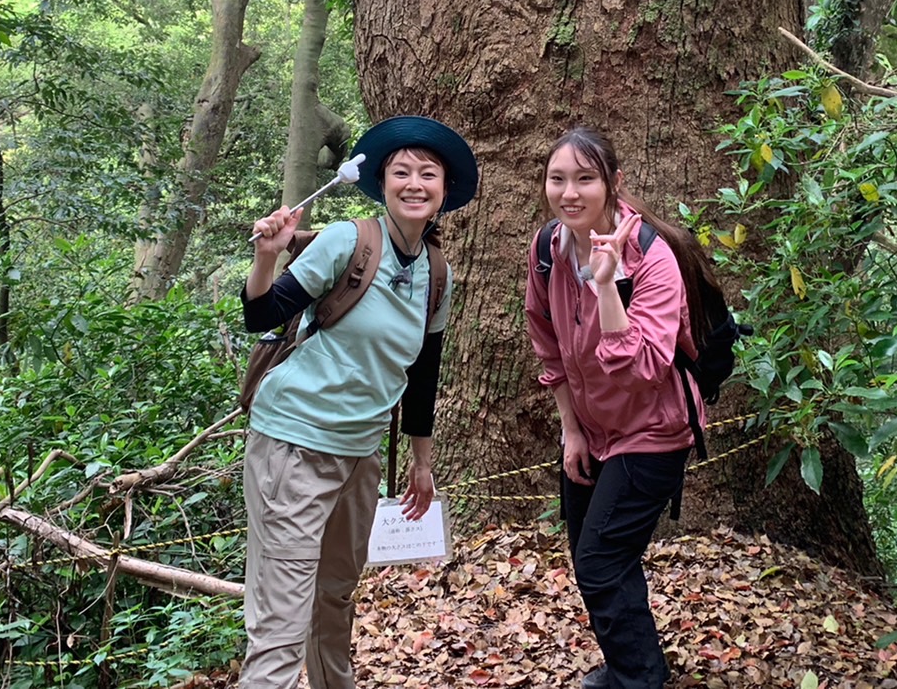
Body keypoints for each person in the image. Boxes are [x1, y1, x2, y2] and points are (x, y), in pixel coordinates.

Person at [238, 115, 478, 689]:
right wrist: (267, 257)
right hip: (294, 445)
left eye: (428, 173)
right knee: (282, 619)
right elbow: (261, 315)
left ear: (444, 190)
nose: (414, 183)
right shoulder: (349, 240)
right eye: (402, 172)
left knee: (335, 599)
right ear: (383, 183)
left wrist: (421, 464)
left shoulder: (436, 272)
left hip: (360, 457)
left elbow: (423, 373)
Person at [523, 126, 708, 689]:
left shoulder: (651, 256)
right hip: (592, 430)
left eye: (585, 179)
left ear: (613, 183)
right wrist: (570, 430)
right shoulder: (547, 248)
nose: (570, 192)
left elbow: (644, 367)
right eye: (559, 179)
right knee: (592, 555)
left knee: (600, 559)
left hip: (654, 431)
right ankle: (635, 667)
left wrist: (607, 286)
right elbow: (547, 340)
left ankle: (637, 679)